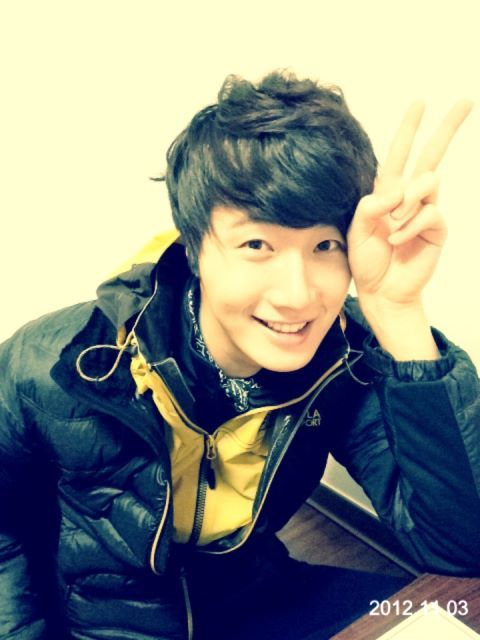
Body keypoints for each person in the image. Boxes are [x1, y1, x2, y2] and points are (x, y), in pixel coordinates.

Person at [0, 70, 478, 640]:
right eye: (257, 245)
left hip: (259, 594)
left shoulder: (346, 358)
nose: (297, 295)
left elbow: (460, 548)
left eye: (325, 245)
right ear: (194, 247)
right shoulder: (57, 362)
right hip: (115, 619)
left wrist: (398, 313)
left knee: (441, 619)